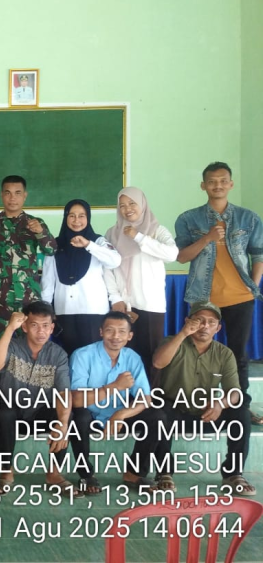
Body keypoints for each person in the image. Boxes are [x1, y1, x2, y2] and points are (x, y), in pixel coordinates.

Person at [174, 162, 263, 408]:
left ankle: (240, 407)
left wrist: (252, 288)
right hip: (202, 299)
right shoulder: (188, 218)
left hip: (240, 297)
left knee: (238, 355)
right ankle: (196, 405)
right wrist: (207, 238)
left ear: (231, 184)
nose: (218, 185)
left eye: (223, 181)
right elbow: (181, 257)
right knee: (198, 353)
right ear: (203, 186)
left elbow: (258, 255)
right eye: (212, 181)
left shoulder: (249, 218)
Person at [153, 302, 254, 495]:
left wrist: (220, 403)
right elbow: (158, 362)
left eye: (211, 322)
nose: (205, 326)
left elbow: (234, 391)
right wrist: (183, 333)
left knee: (241, 413)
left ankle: (233, 474)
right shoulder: (173, 342)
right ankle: (164, 473)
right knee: (159, 410)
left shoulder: (224, 353)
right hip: (175, 411)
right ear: (187, 321)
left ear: (218, 328)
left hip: (207, 413)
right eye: (199, 320)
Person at [70, 312, 168, 494]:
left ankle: (134, 473)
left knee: (157, 416)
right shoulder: (82, 355)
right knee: (78, 417)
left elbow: (145, 399)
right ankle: (86, 475)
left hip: (118, 415)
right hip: (90, 412)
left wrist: (121, 414)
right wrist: (114, 386)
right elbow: (76, 400)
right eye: (110, 330)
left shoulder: (132, 358)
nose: (116, 336)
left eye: (122, 331)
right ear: (101, 332)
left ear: (130, 336)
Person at [0, 302, 78, 495]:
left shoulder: (57, 354)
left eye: (45, 326)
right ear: (25, 326)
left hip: (38, 413)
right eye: (35, 325)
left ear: (52, 328)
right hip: (10, 412)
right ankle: (6, 473)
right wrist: (10, 329)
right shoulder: (12, 346)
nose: (41, 331)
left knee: (66, 416)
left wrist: (63, 424)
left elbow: (63, 393)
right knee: (4, 413)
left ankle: (54, 474)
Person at [104, 187, 178, 375]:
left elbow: (171, 254)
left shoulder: (156, 230)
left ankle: (150, 393)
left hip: (150, 304)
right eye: (122, 205)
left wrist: (138, 237)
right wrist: (115, 298)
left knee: (151, 358)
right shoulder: (112, 234)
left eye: (132, 203)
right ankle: (125, 392)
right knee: (123, 356)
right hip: (124, 305)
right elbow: (107, 268)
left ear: (142, 204)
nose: (127, 209)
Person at [0, 175, 56, 346]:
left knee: (29, 344)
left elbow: (51, 249)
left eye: (17, 193)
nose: (12, 198)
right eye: (8, 193)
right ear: (1, 195)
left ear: (24, 196)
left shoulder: (35, 223)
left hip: (28, 297)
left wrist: (40, 233)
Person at [42, 199, 121, 355]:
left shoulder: (97, 241)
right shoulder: (55, 244)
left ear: (88, 217)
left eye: (81, 216)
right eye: (72, 215)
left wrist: (88, 245)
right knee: (70, 357)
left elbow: (115, 260)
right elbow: (48, 281)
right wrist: (46, 310)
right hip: (64, 311)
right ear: (66, 217)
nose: (76, 220)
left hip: (94, 312)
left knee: (93, 357)